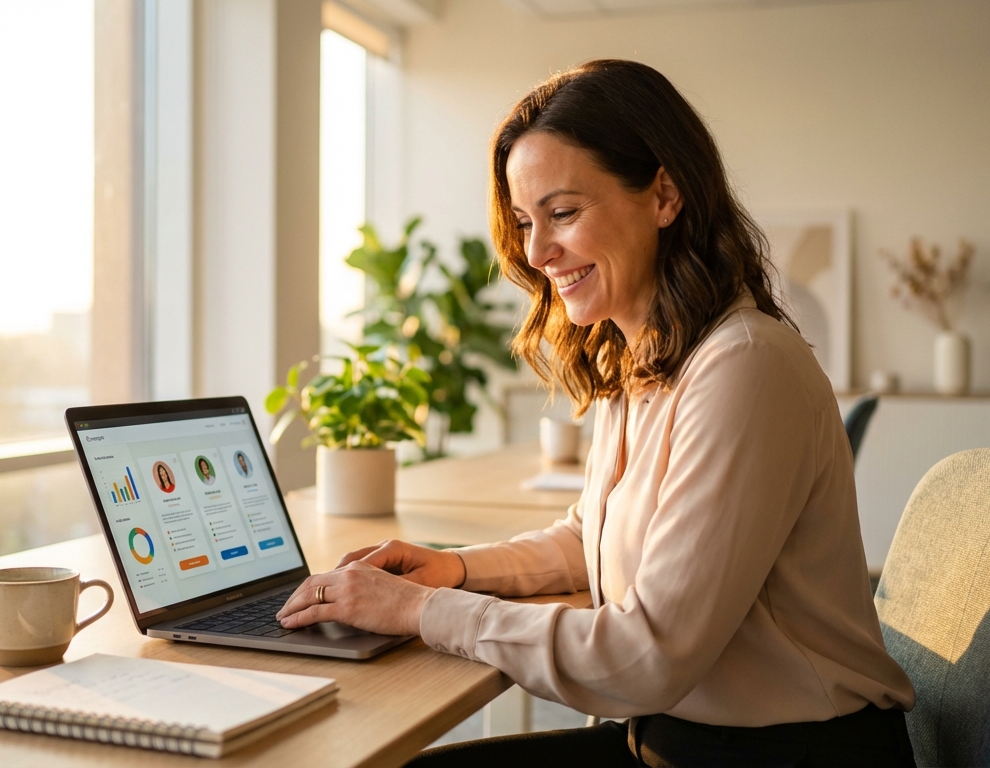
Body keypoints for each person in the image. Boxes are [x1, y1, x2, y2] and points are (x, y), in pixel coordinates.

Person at [277, 60, 916, 767]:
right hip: (677, 739)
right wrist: (450, 571)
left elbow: (644, 657)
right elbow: (588, 535)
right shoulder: (644, 357)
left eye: (563, 213)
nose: (536, 251)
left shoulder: (745, 367)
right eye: (525, 221)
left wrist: (418, 612)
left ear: (665, 194)